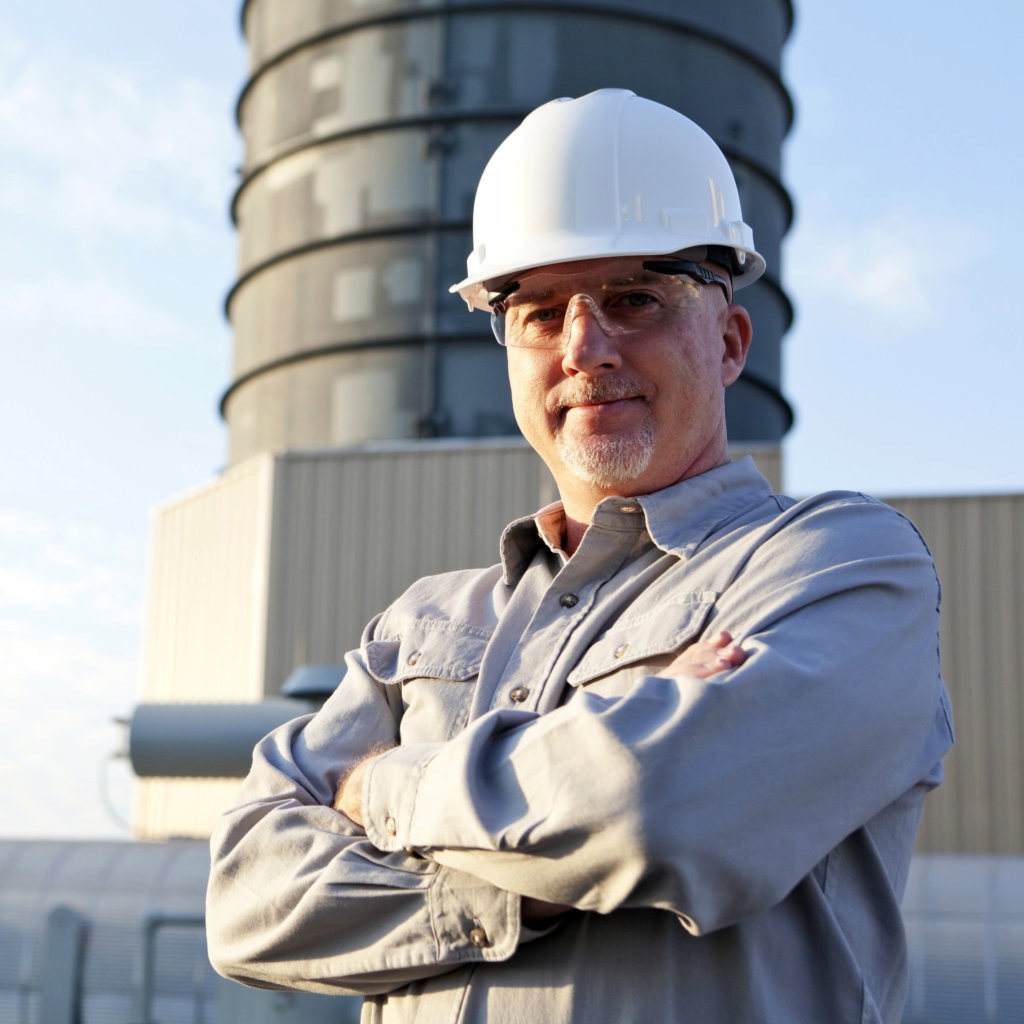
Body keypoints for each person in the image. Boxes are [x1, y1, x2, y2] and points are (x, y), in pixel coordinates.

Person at [206, 89, 953, 1023]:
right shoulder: (420, 624)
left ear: (729, 339)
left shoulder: (838, 565)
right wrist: (530, 877)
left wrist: (377, 791)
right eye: (541, 311)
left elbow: (662, 810)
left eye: (636, 298)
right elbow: (245, 902)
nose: (585, 347)